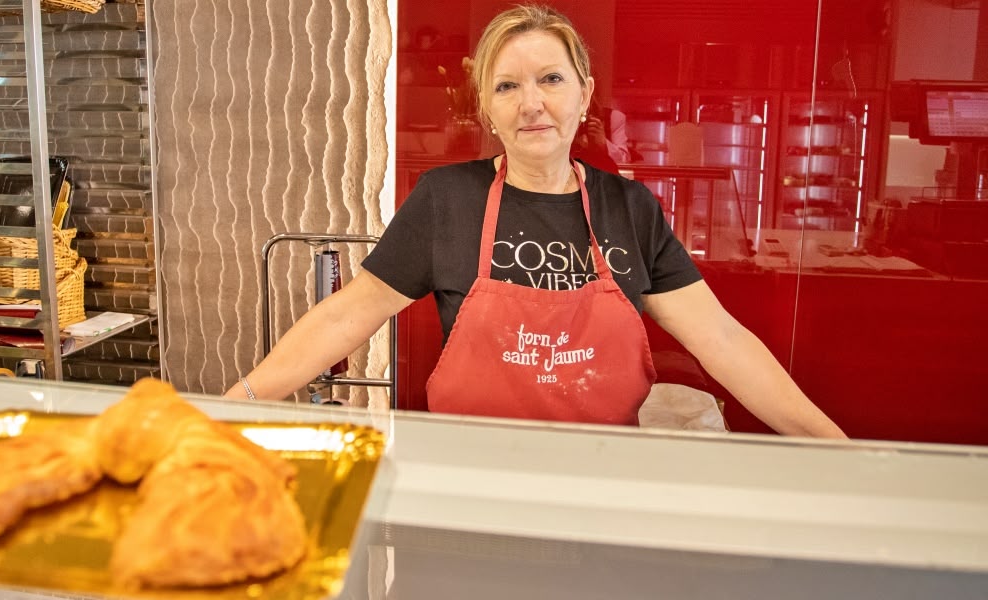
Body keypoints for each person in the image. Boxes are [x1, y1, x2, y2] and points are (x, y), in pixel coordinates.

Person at [225, 5, 846, 439]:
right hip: (470, 478)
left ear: (584, 92)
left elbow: (723, 342)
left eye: (551, 79)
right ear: (487, 108)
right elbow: (345, 314)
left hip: (597, 481)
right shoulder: (447, 199)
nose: (531, 103)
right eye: (506, 86)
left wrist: (839, 449)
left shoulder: (629, 210)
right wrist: (235, 406)